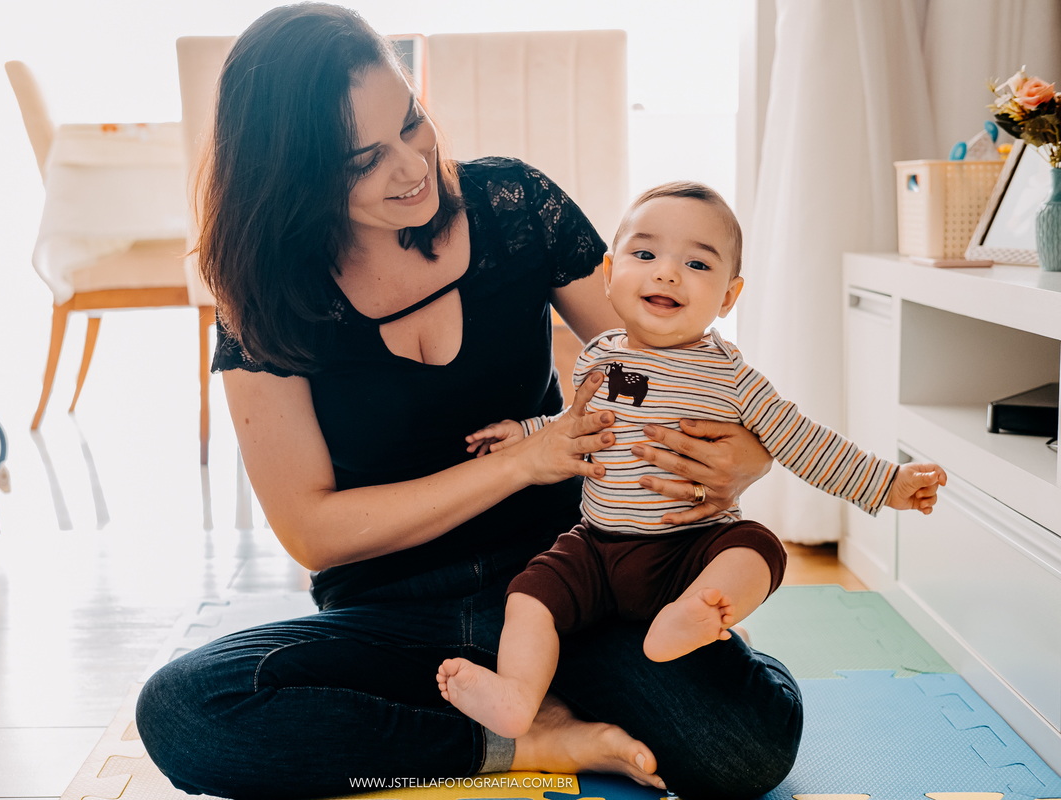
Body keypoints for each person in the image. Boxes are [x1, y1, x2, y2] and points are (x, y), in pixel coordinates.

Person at [134, 6, 802, 799]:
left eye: (412, 122)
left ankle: (529, 689)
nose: (412, 166)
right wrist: (522, 460)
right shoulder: (265, 296)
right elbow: (314, 532)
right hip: (393, 616)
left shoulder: (515, 207)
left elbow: (667, 361)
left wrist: (746, 451)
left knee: (750, 747)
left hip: (565, 585)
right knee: (186, 712)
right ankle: (521, 739)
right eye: (363, 159)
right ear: (295, 174)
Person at [434, 182, 948, 739]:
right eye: (646, 254)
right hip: (598, 545)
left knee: (757, 549)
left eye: (697, 263)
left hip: (688, 550)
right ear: (609, 273)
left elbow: (805, 442)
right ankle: (517, 697)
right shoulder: (600, 358)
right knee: (530, 595)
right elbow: (572, 425)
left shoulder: (732, 377)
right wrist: (525, 431)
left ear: (729, 296)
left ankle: (694, 613)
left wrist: (885, 483)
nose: (667, 273)